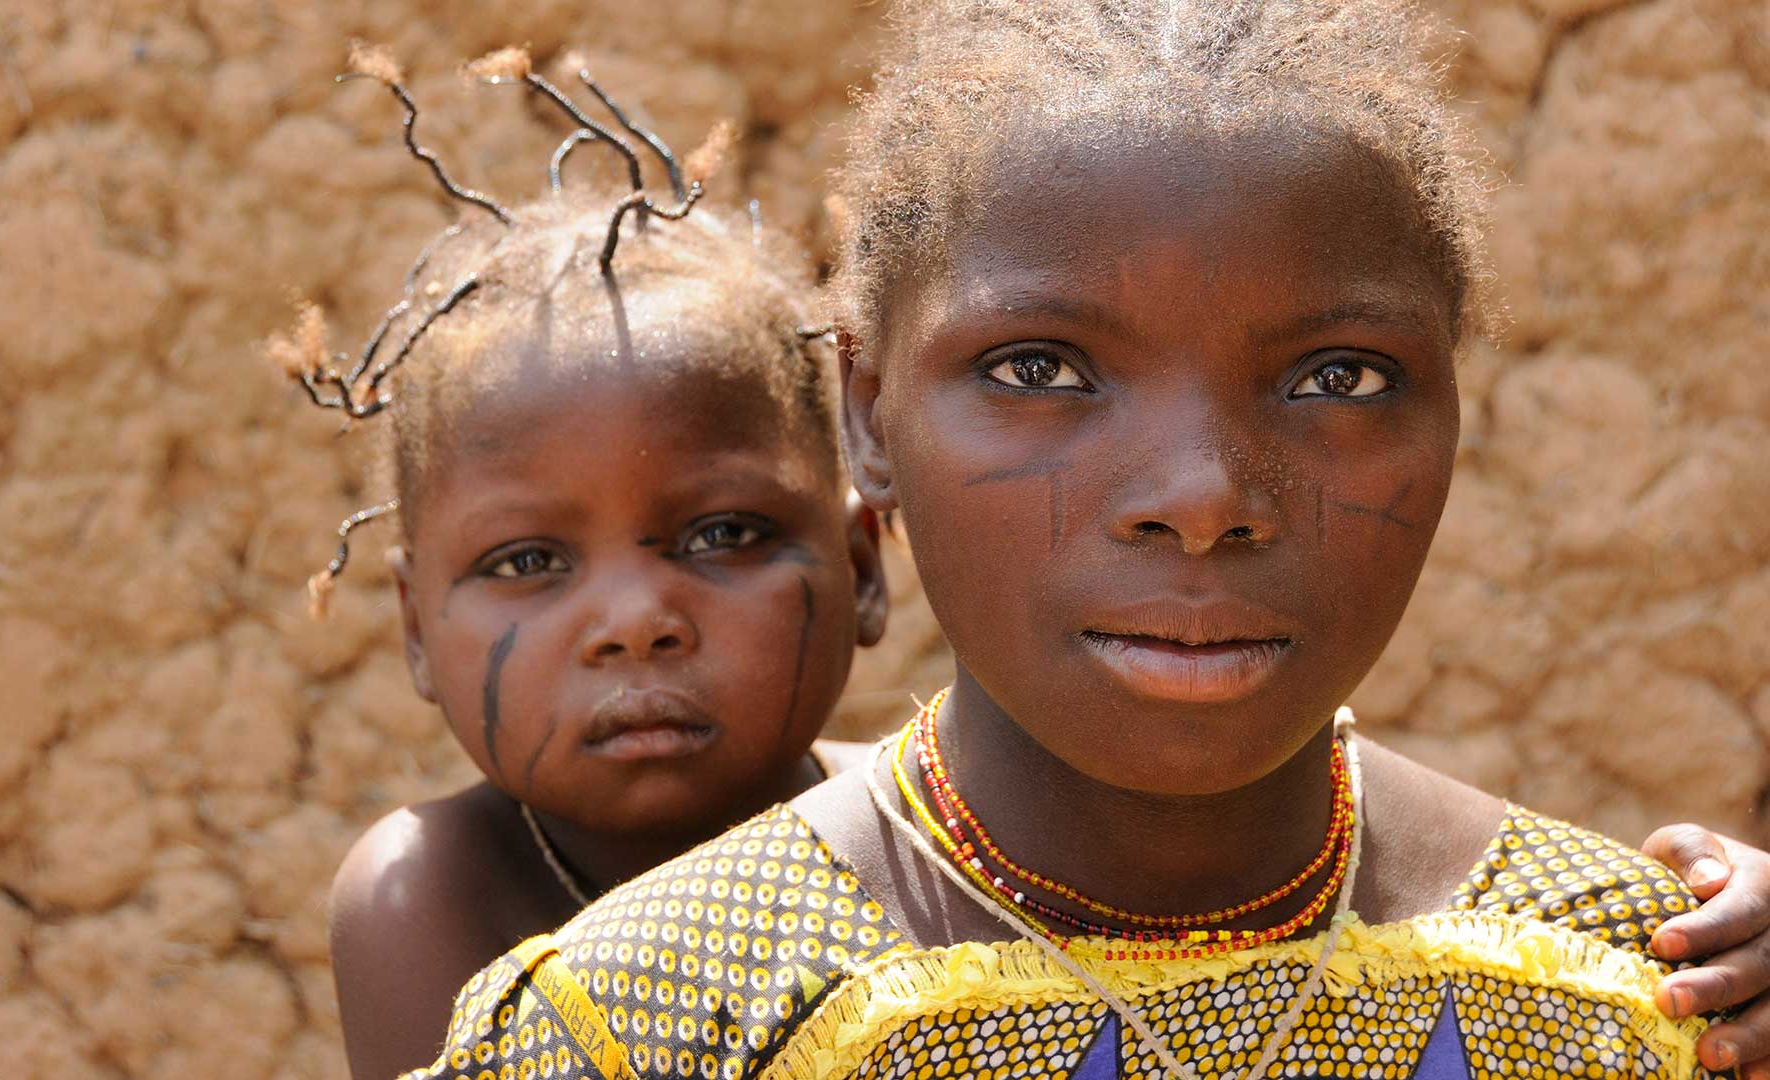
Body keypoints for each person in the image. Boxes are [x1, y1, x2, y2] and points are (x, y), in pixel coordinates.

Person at [402, 4, 1770, 1079]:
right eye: (1042, 368)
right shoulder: (640, 1026)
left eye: (1337, 378)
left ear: (1453, 412)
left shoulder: (1650, 997)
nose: (1200, 494)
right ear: (869, 419)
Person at [266, 45, 888, 1080]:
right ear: (418, 632)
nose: (636, 618)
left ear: (863, 568)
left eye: (724, 535)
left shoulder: (934, 834)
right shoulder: (432, 897)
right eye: (529, 560)